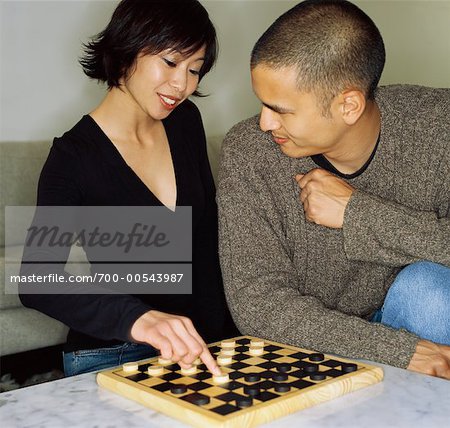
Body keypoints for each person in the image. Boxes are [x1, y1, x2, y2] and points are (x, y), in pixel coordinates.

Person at [218, 0, 450, 379]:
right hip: (317, 345)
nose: (264, 122)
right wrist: (399, 350)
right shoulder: (249, 153)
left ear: (349, 105)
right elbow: (257, 303)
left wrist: (359, 213)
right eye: (261, 103)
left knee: (429, 293)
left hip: (425, 326)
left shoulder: (438, 126)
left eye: (281, 109)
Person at [20, 0, 238, 376]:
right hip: (112, 353)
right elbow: (37, 280)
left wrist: (229, 335)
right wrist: (142, 318)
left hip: (199, 348)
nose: (182, 85)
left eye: (194, 70)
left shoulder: (185, 122)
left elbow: (206, 242)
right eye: (170, 63)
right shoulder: (73, 157)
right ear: (127, 49)